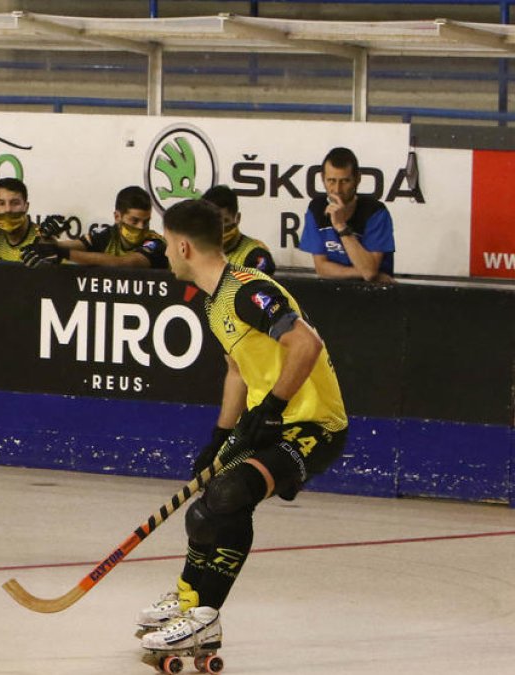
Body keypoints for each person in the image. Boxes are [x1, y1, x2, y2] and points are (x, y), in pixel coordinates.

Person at [136, 199, 347, 656]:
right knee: (204, 502)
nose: (165, 254)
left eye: (168, 246)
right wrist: (219, 437)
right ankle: (188, 599)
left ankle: (205, 620)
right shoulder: (215, 303)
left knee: (231, 494)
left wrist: (273, 406)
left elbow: (306, 344)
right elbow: (236, 370)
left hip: (313, 424)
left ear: (185, 247)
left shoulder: (248, 290)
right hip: (267, 421)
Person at [299, 147, 395, 283]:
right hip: (333, 292)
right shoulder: (316, 208)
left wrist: (341, 226)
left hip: (373, 296)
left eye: (345, 181)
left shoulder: (375, 212)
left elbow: (369, 271)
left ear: (357, 179)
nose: (337, 189)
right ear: (322, 178)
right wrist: (363, 273)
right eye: (331, 181)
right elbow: (322, 269)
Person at [23, 186, 167, 269]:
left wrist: (63, 253)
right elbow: (66, 246)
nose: (141, 227)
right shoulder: (109, 235)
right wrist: (47, 238)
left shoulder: (156, 243)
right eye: (134, 221)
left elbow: (124, 263)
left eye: (146, 221)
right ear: (117, 217)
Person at [201, 184, 275, 276]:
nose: (218, 228)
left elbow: (259, 288)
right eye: (211, 221)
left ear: (237, 218)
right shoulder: (193, 250)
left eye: (225, 221)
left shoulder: (255, 253)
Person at [0, 177, 37, 262]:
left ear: (26, 206)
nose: (8, 209)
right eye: (1, 203)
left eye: (15, 203)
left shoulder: (43, 240)